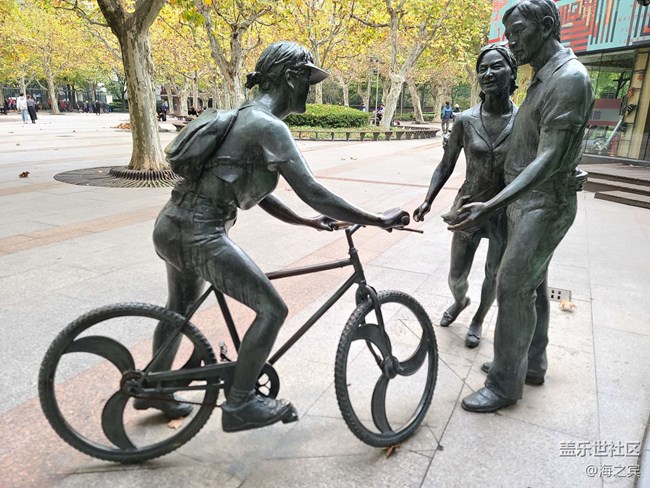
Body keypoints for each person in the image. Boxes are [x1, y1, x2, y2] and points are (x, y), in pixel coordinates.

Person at [142, 41, 409, 430]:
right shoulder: (268, 126)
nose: (310, 90)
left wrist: (305, 222)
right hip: (200, 233)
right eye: (308, 81)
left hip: (173, 225)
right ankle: (240, 404)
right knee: (272, 310)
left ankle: (154, 387)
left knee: (179, 306)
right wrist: (377, 218)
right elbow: (313, 190)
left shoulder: (243, 116)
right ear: (290, 78)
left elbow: (254, 190)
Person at [449, 0, 594, 413]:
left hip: (542, 203)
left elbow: (548, 158)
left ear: (546, 26)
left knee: (512, 285)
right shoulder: (544, 77)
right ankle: (531, 362)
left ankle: (504, 384)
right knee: (532, 285)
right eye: (508, 33)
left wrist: (491, 204)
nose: (511, 41)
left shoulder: (569, 79)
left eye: (517, 32)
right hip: (528, 201)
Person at [414, 43, 518, 349]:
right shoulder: (465, 119)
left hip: (503, 209)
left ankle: (478, 320)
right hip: (468, 206)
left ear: (512, 73)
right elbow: (445, 165)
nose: (488, 73)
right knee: (456, 277)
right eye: (482, 69)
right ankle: (460, 302)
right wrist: (428, 199)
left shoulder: (524, 120)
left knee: (493, 273)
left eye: (496, 66)